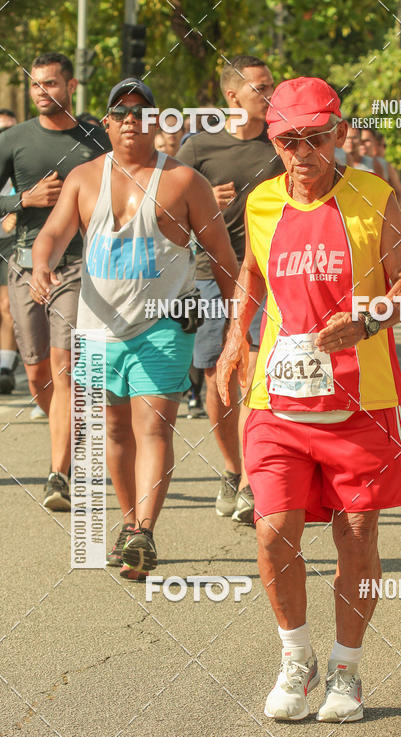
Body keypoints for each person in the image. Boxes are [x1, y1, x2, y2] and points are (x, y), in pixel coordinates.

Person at [216, 77, 401, 722]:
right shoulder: (263, 201)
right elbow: (250, 274)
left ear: (337, 134)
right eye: (287, 141)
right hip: (279, 400)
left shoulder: (373, 196)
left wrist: (367, 320)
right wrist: (234, 344)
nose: (301, 154)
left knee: (356, 532)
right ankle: (295, 657)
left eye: (314, 138)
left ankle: (346, 668)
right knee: (274, 531)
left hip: (362, 404)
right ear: (274, 140)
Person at [31, 78, 238, 579]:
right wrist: (42, 265)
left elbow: (223, 258)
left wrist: (236, 331)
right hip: (98, 327)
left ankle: (144, 528)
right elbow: (53, 234)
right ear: (106, 122)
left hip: (163, 326)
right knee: (116, 430)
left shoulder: (185, 182)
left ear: (158, 122)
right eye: (120, 113)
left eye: (141, 113)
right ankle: (129, 526)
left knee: (153, 427)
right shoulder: (83, 177)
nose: (130, 120)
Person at [176, 54, 284, 524]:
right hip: (210, 275)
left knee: (256, 372)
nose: (270, 94)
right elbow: (165, 215)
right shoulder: (198, 148)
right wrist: (201, 204)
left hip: (270, 276)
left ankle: (252, 480)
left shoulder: (281, 145)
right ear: (232, 96)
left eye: (271, 86)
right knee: (219, 376)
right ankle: (230, 468)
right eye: (261, 87)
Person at [0, 52, 110, 509]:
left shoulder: (95, 139)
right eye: (35, 85)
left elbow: (121, 190)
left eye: (51, 84)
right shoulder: (13, 140)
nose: (43, 92)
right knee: (37, 371)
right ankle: (67, 430)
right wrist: (22, 198)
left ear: (71, 86)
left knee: (67, 369)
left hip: (79, 265)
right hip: (25, 265)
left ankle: (58, 474)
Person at [0, 108, 18, 394]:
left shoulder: (21, 157)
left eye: (9, 131)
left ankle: (4, 369)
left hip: (10, 238)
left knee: (7, 304)